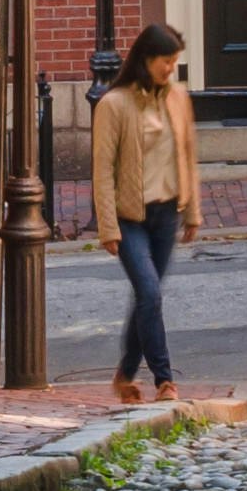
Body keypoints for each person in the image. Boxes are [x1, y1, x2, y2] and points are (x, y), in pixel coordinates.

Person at [91, 23, 202, 403]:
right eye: (166, 61)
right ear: (147, 58)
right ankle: (164, 380)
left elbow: (187, 154)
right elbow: (102, 168)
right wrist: (108, 227)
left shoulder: (177, 98)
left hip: (167, 211)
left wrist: (193, 212)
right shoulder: (114, 104)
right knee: (150, 293)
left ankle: (124, 373)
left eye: (175, 61)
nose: (171, 68)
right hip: (129, 217)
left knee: (145, 297)